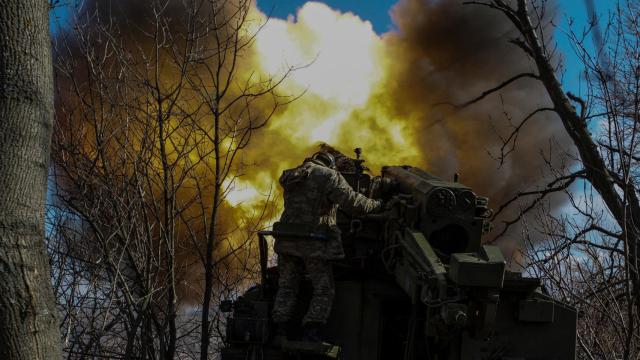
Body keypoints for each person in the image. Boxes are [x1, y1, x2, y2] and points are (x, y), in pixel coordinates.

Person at [272, 150, 382, 343]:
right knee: (324, 288)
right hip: (314, 242)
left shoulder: (292, 175)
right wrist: (377, 204)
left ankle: (279, 329)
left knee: (287, 286)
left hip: (287, 239)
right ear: (330, 164)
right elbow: (354, 204)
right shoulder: (329, 176)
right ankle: (311, 330)